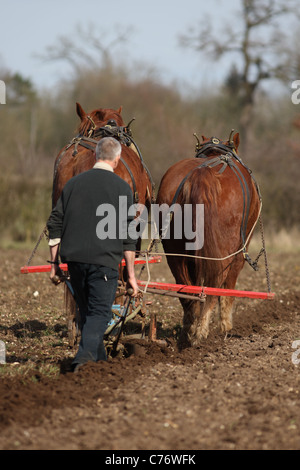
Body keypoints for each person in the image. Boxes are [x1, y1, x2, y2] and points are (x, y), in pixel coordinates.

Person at [47, 137, 139, 372]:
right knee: (99, 313)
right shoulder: (122, 189)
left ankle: (100, 364)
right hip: (104, 262)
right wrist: (131, 275)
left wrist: (53, 264)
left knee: (87, 313)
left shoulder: (72, 185)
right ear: (117, 160)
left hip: (75, 262)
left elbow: (55, 223)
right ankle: (84, 360)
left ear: (97, 155)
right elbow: (129, 237)